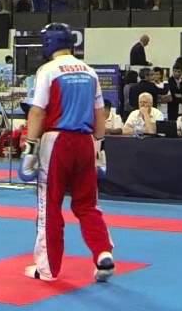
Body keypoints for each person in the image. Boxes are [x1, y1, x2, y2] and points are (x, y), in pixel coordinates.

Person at [19, 23, 116, 282]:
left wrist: (30, 150)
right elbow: (100, 114)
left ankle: (47, 269)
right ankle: (103, 252)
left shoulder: (48, 70)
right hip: (85, 142)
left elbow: (37, 111)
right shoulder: (89, 72)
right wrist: (99, 150)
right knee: (88, 204)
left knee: (49, 206)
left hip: (57, 142)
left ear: (48, 43)